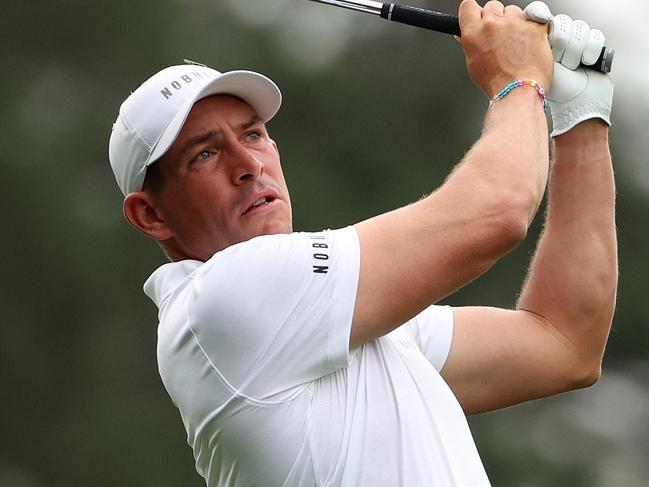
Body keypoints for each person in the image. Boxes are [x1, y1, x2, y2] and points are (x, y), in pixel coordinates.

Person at [108, 1, 617, 485]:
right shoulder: (222, 300)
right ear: (150, 215)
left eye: (254, 135)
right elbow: (499, 211)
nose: (248, 166)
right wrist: (519, 80)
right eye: (205, 154)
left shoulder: (338, 322)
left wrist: (581, 121)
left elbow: (562, 344)